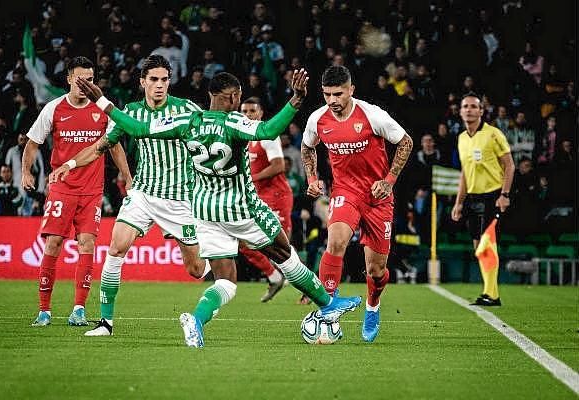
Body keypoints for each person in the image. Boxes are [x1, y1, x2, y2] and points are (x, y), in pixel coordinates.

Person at [74, 69, 362, 348]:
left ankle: (196, 321)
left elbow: (137, 128)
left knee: (226, 281)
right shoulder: (233, 122)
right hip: (241, 209)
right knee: (285, 254)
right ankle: (328, 304)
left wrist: (101, 100)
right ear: (234, 97)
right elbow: (269, 129)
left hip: (204, 211)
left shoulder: (188, 121)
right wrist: (296, 99)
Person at [50, 55, 210, 336]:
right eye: (153, 80)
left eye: (164, 80)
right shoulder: (131, 112)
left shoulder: (186, 109)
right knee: (116, 247)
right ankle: (106, 323)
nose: (159, 85)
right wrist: (70, 163)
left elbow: (212, 134)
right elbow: (100, 146)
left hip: (179, 199)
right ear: (142, 82)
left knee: (195, 269)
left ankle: (223, 271)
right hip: (143, 194)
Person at [301, 65, 413, 343]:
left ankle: (372, 306)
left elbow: (406, 143)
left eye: (338, 94)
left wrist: (388, 181)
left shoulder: (373, 115)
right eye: (327, 94)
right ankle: (328, 306)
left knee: (376, 271)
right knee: (335, 241)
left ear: (351, 90)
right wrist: (312, 178)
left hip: (378, 198)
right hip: (345, 191)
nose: (332, 100)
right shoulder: (318, 119)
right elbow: (307, 146)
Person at [22, 56, 132, 327]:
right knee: (53, 243)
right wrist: (26, 171)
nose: (85, 84)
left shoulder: (102, 108)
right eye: (80, 79)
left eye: (90, 80)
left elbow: (115, 145)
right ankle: (44, 311)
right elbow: (33, 142)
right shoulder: (54, 108)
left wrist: (127, 177)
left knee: (87, 243)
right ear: (70, 78)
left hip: (92, 189)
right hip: (62, 188)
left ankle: (79, 310)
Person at [451, 92, 515, 307]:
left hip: (492, 196)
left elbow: (509, 165)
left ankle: (491, 294)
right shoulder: (462, 138)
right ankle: (489, 292)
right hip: (472, 197)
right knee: (479, 246)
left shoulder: (493, 134)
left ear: (481, 111)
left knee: (488, 243)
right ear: (460, 112)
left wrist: (505, 195)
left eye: (473, 106)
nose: (469, 110)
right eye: (465, 106)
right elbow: (465, 172)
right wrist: (459, 202)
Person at [239, 96, 291, 302]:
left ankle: (310, 289)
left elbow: (279, 166)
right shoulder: (244, 137)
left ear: (260, 114)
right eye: (244, 111)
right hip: (257, 197)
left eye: (252, 111)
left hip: (276, 196)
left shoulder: (267, 135)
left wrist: (251, 178)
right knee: (243, 242)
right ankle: (274, 277)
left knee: (282, 247)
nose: (247, 115)